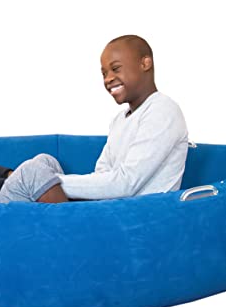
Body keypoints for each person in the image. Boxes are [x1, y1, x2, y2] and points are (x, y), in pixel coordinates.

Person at [56, 35, 188, 200]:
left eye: (116, 68)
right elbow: (102, 175)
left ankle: (32, 187)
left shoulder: (163, 110)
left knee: (35, 176)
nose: (108, 79)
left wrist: (52, 183)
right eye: (104, 73)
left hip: (141, 211)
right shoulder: (119, 120)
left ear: (145, 64)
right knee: (43, 163)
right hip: (111, 204)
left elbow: (126, 183)